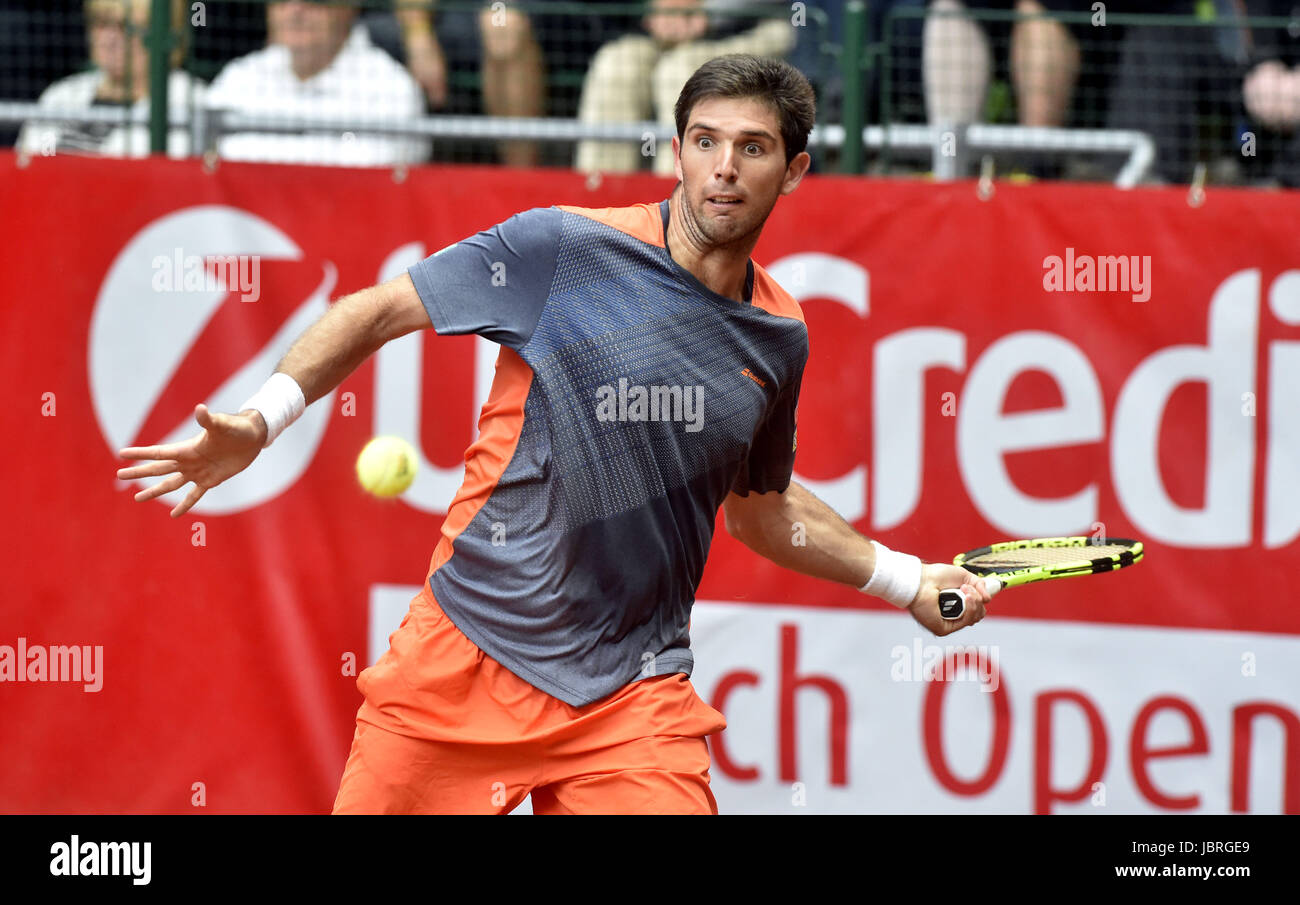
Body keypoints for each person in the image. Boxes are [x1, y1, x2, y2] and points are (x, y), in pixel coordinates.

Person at [117, 54, 992, 815]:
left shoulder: (778, 336)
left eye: (753, 149)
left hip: (632, 697)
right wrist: (264, 418)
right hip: (465, 654)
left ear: (793, 171)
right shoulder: (560, 250)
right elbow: (378, 309)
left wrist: (906, 579)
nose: (724, 168)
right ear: (678, 149)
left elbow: (761, 512)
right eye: (705, 141)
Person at [575, 0, 795, 175]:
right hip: (662, 27)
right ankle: (599, 208)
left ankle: (673, 208)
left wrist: (706, 9)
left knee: (679, 72)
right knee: (615, 65)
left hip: (755, 25)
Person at [204, 0, 428, 167]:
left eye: (314, 0)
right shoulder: (239, 77)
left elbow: (375, 183)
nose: (295, 9)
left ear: (349, 7)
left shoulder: (390, 87)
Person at [16, 0, 202, 158]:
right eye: (101, 24)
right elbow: (29, 162)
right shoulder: (61, 94)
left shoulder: (191, 99)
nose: (109, 38)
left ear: (163, 34)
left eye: (125, 26)